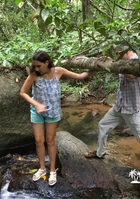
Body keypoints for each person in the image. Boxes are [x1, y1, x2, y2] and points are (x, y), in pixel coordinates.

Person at [84, 49, 140, 169]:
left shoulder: (139, 61)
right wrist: (107, 61)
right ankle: (100, 153)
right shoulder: (123, 62)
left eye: (118, 53)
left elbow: (132, 75)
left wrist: (112, 65)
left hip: (133, 109)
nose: (117, 56)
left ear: (124, 51)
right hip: (120, 106)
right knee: (102, 126)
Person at [20, 51, 91, 186]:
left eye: (38, 65)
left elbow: (81, 76)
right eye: (34, 66)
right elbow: (23, 92)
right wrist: (37, 104)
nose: (36, 68)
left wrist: (95, 67)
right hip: (37, 111)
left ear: (47, 63)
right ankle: (41, 168)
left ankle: (52, 170)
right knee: (39, 141)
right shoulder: (34, 75)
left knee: (50, 141)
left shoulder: (58, 71)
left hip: (53, 112)